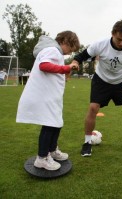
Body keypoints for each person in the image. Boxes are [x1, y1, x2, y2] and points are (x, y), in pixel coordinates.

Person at [71, 20, 122, 157]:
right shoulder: (100, 44)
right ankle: (87, 143)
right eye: (119, 39)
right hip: (101, 80)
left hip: (120, 82)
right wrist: (75, 62)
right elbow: (81, 56)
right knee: (93, 108)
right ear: (113, 33)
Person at [16, 31, 80, 170]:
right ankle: (42, 158)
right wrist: (66, 68)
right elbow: (44, 66)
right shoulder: (52, 50)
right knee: (50, 125)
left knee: (56, 123)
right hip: (45, 97)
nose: (69, 53)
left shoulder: (54, 51)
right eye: (70, 49)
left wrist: (65, 72)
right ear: (65, 41)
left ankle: (51, 151)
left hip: (51, 97)